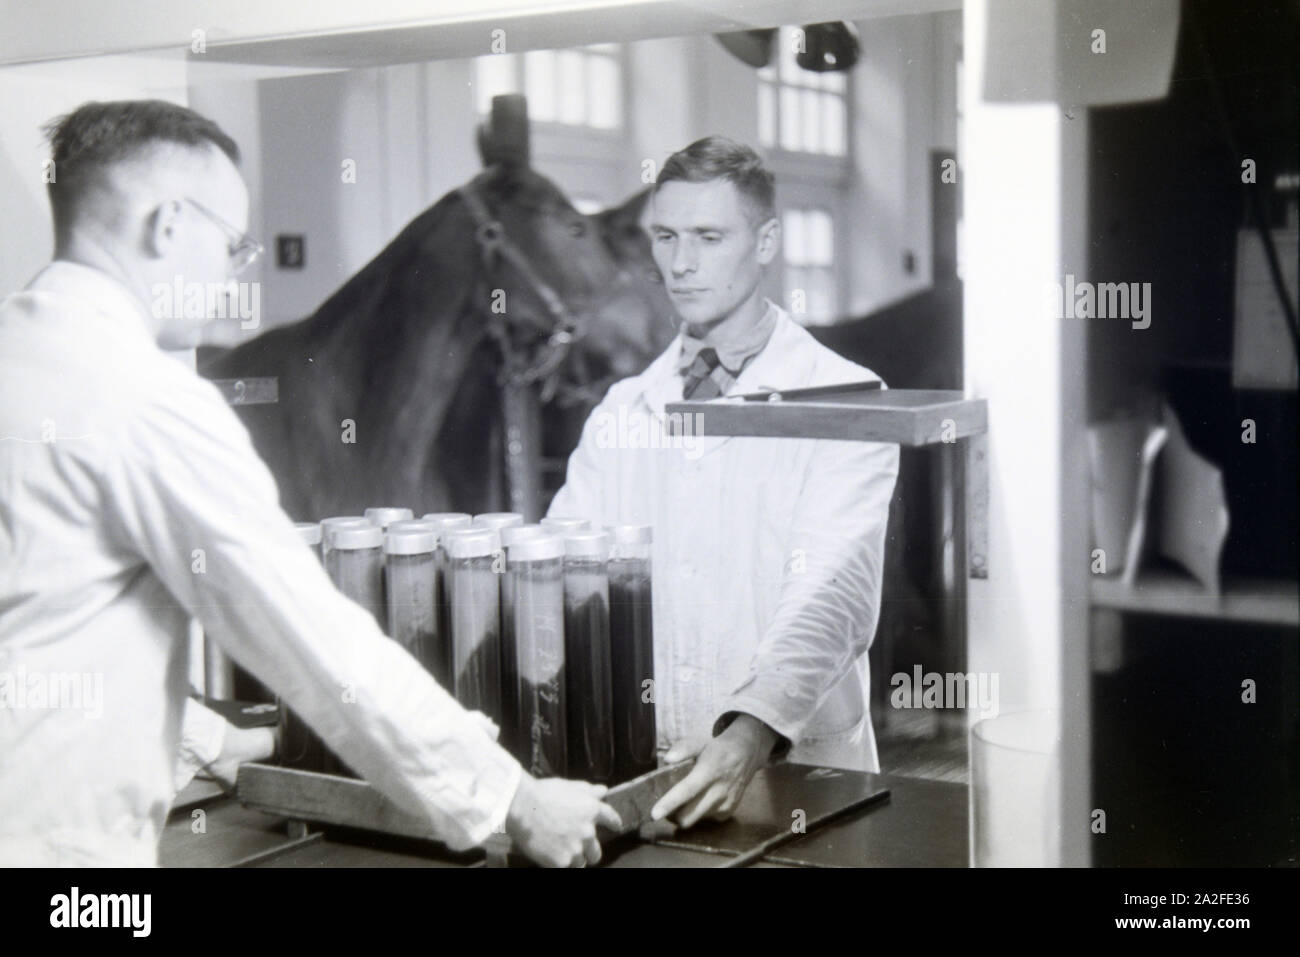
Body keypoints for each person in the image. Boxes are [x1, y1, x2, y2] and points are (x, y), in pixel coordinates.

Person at [0, 99, 618, 867]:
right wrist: (514, 797)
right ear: (167, 226)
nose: (234, 271)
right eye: (232, 244)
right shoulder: (144, 397)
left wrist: (220, 740)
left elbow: (44, 632)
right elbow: (309, 632)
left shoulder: (18, 355)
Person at [547, 136, 899, 828]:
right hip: (654, 780)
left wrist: (749, 731)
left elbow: (833, 592)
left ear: (766, 242)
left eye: (709, 237)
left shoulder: (846, 395)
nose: (680, 264)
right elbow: (567, 577)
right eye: (666, 236)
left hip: (800, 779)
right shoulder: (625, 409)